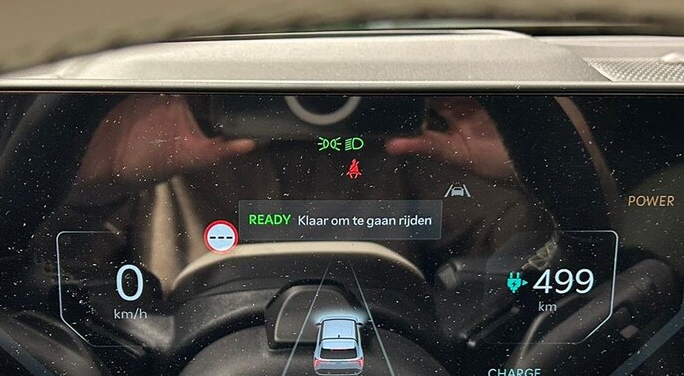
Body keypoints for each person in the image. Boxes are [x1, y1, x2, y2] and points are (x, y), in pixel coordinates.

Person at [52, 93, 553, 289]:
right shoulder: (160, 146)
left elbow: (538, 275)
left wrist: (543, 165)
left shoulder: (412, 146)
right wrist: (90, 181)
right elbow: (50, 293)